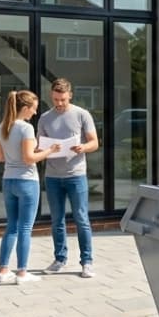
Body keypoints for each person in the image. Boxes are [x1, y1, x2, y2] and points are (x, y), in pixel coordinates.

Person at [0, 90, 59, 284]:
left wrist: (26, 152)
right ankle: (22, 273)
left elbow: (0, 157)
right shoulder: (26, 128)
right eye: (34, 109)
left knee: (11, 227)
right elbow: (29, 158)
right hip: (26, 182)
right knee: (24, 227)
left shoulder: (2, 127)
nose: (35, 113)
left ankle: (3, 271)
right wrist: (49, 150)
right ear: (25, 108)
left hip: (8, 181)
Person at [38, 78, 99, 277]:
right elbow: (39, 146)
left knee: (81, 218)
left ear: (70, 95)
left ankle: (87, 262)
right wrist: (48, 148)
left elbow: (94, 143)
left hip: (76, 175)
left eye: (63, 99)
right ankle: (60, 259)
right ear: (51, 96)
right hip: (53, 177)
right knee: (57, 220)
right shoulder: (45, 118)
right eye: (56, 99)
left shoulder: (82, 115)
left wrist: (83, 147)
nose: (59, 103)